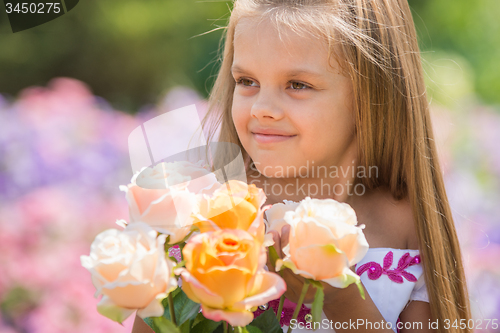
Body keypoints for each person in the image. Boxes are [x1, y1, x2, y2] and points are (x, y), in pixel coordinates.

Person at [133, 0, 471, 332]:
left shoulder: (403, 224)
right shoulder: (202, 214)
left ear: (371, 95)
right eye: (247, 81)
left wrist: (342, 303)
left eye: (298, 85)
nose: (262, 109)